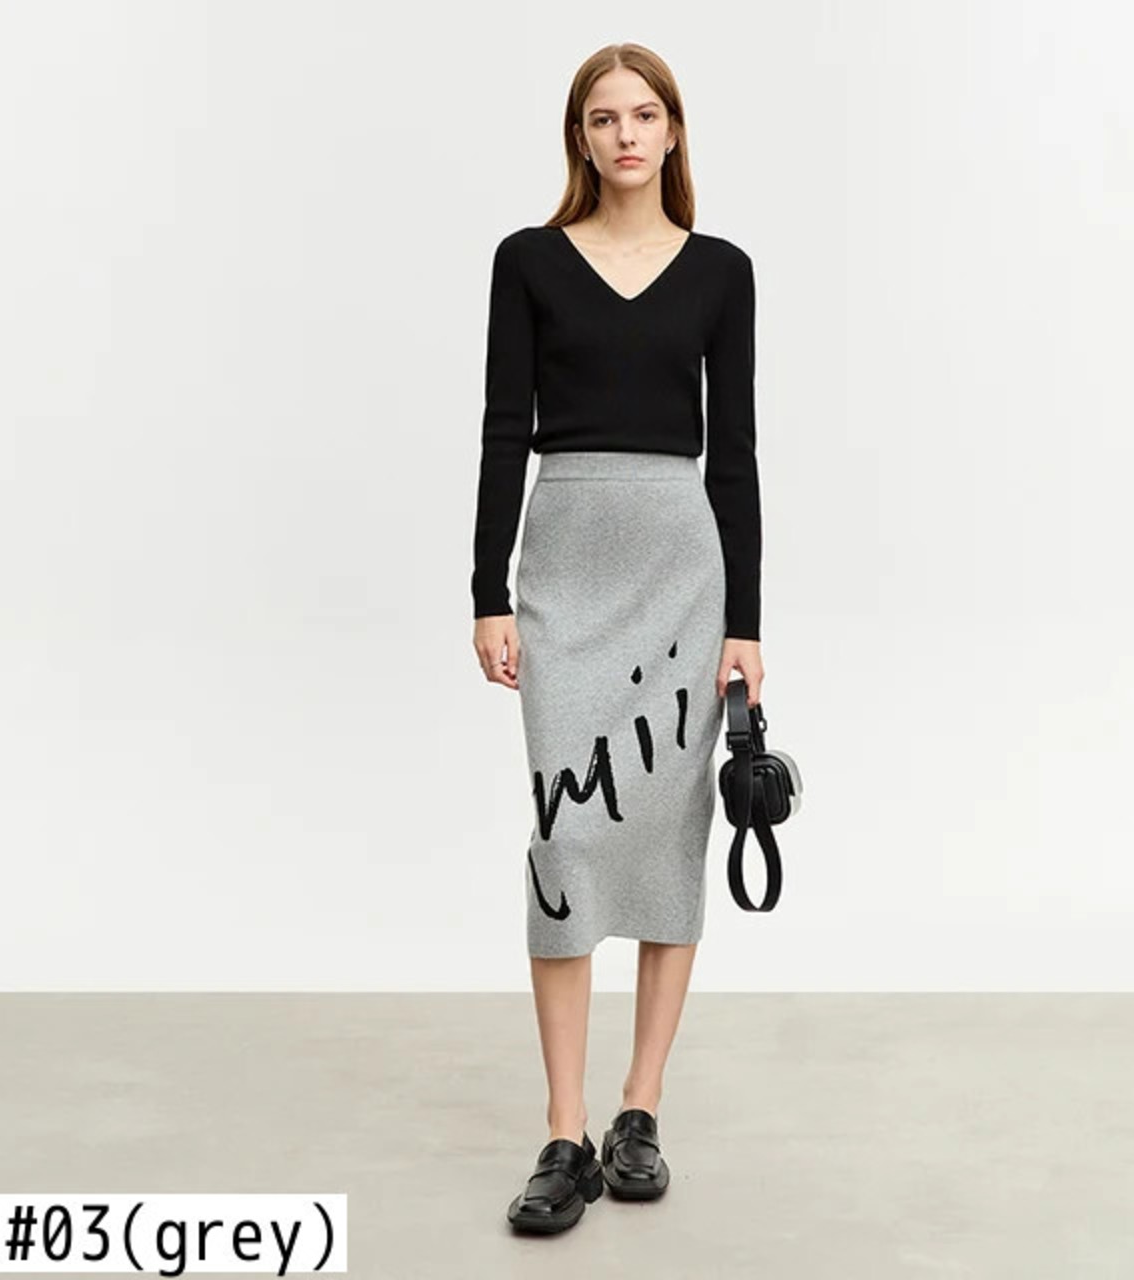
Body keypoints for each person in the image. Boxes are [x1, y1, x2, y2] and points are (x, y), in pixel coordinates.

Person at [469, 42, 764, 1235]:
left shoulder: (722, 271)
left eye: (644, 115)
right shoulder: (527, 260)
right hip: (565, 557)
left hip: (678, 567)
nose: (626, 134)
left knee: (666, 837)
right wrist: (487, 589)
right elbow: (502, 427)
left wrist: (745, 620)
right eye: (604, 118)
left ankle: (637, 1109)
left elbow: (734, 451)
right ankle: (562, 1127)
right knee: (564, 835)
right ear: (579, 137)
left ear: (672, 130)